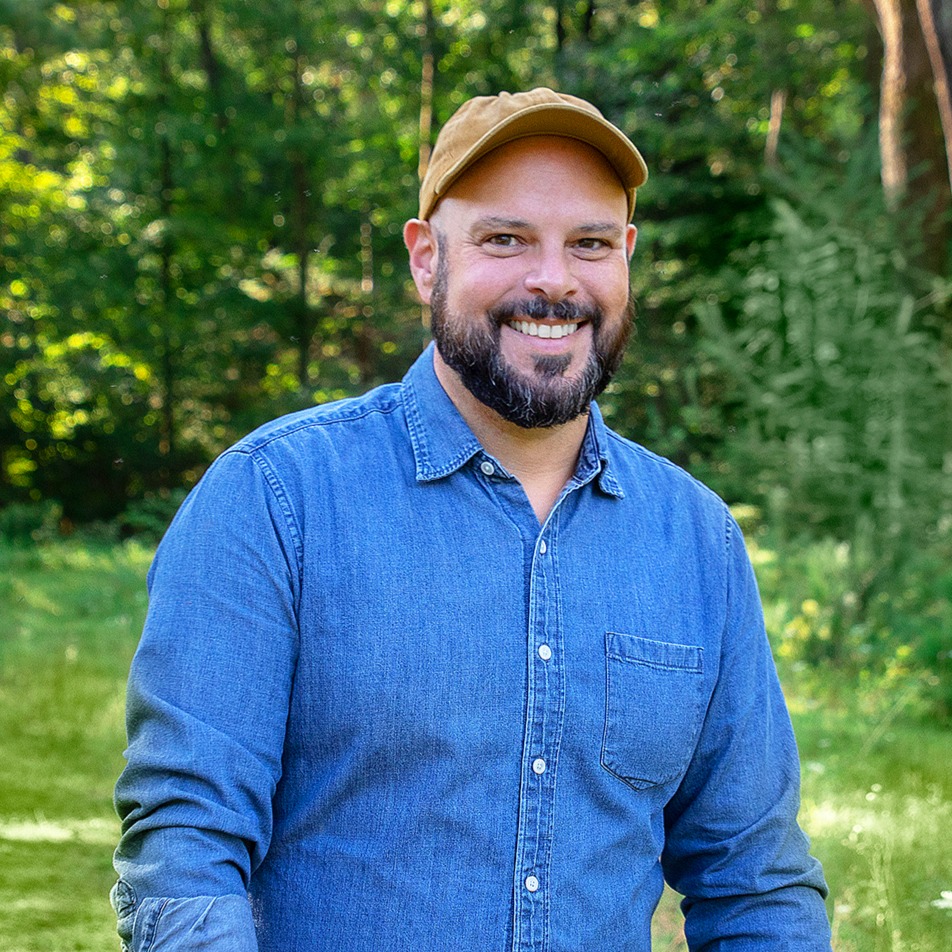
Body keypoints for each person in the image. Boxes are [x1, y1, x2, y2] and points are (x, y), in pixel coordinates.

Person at [111, 87, 832, 951]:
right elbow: (186, 849)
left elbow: (756, 882)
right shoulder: (274, 500)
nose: (555, 280)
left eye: (591, 244)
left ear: (627, 258)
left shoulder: (697, 541)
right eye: (505, 239)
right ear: (426, 259)